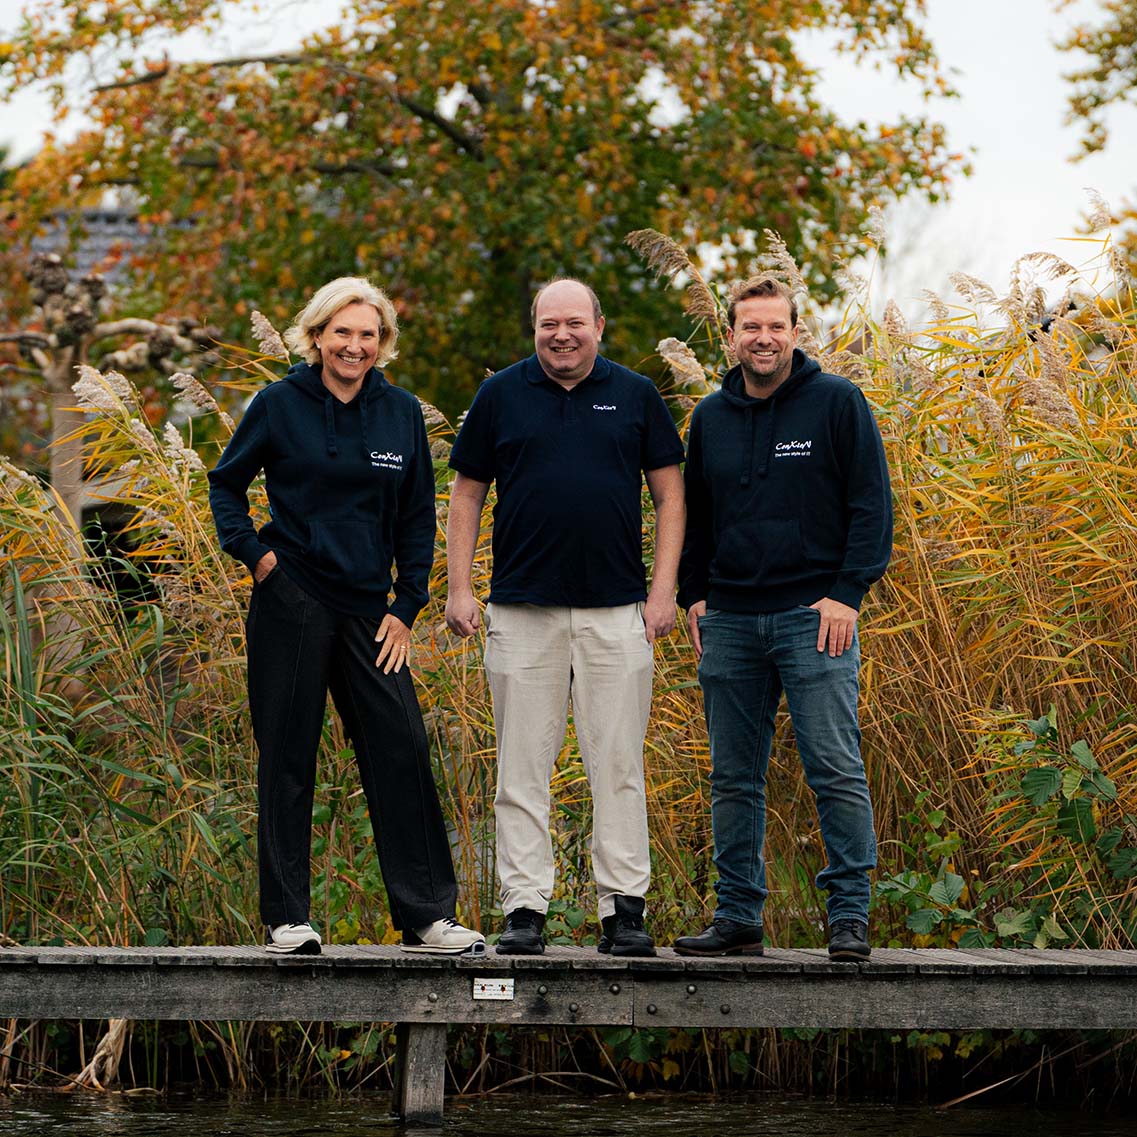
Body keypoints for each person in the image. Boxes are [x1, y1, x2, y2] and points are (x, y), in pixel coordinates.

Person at [208, 277, 484, 957]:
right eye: (341, 332)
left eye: (367, 334)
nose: (353, 345)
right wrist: (257, 558)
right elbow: (225, 483)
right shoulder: (277, 404)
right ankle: (287, 918)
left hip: (370, 610)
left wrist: (407, 605)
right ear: (317, 336)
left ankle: (425, 916)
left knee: (401, 745)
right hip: (292, 596)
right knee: (289, 752)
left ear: (381, 342)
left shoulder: (399, 414)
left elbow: (418, 511)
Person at [445, 278, 685, 957]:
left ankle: (623, 909)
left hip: (617, 612)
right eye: (549, 323)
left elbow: (670, 496)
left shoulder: (635, 395)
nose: (561, 334)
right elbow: (465, 495)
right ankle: (524, 907)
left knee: (618, 762)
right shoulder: (500, 395)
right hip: (521, 611)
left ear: (598, 326)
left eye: (574, 322)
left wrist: (662, 588)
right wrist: (459, 587)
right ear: (534, 329)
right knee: (520, 768)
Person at [674, 274, 892, 961]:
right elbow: (695, 513)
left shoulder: (836, 402)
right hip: (731, 620)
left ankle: (848, 916)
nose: (761, 338)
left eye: (774, 326)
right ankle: (737, 914)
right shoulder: (709, 417)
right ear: (731, 335)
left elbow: (869, 504)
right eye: (749, 327)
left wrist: (846, 592)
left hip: (813, 617)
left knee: (832, 764)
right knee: (733, 775)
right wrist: (693, 593)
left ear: (795, 333)